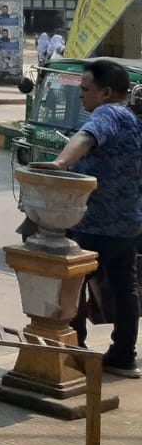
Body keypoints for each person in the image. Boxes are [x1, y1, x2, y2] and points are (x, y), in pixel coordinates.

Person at [48, 59, 142, 378]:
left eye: (86, 90)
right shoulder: (133, 118)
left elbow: (87, 138)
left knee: (70, 284)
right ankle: (123, 355)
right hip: (127, 225)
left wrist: (60, 164)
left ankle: (74, 353)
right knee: (125, 289)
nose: (81, 96)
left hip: (93, 225)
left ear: (105, 92)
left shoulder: (107, 113)